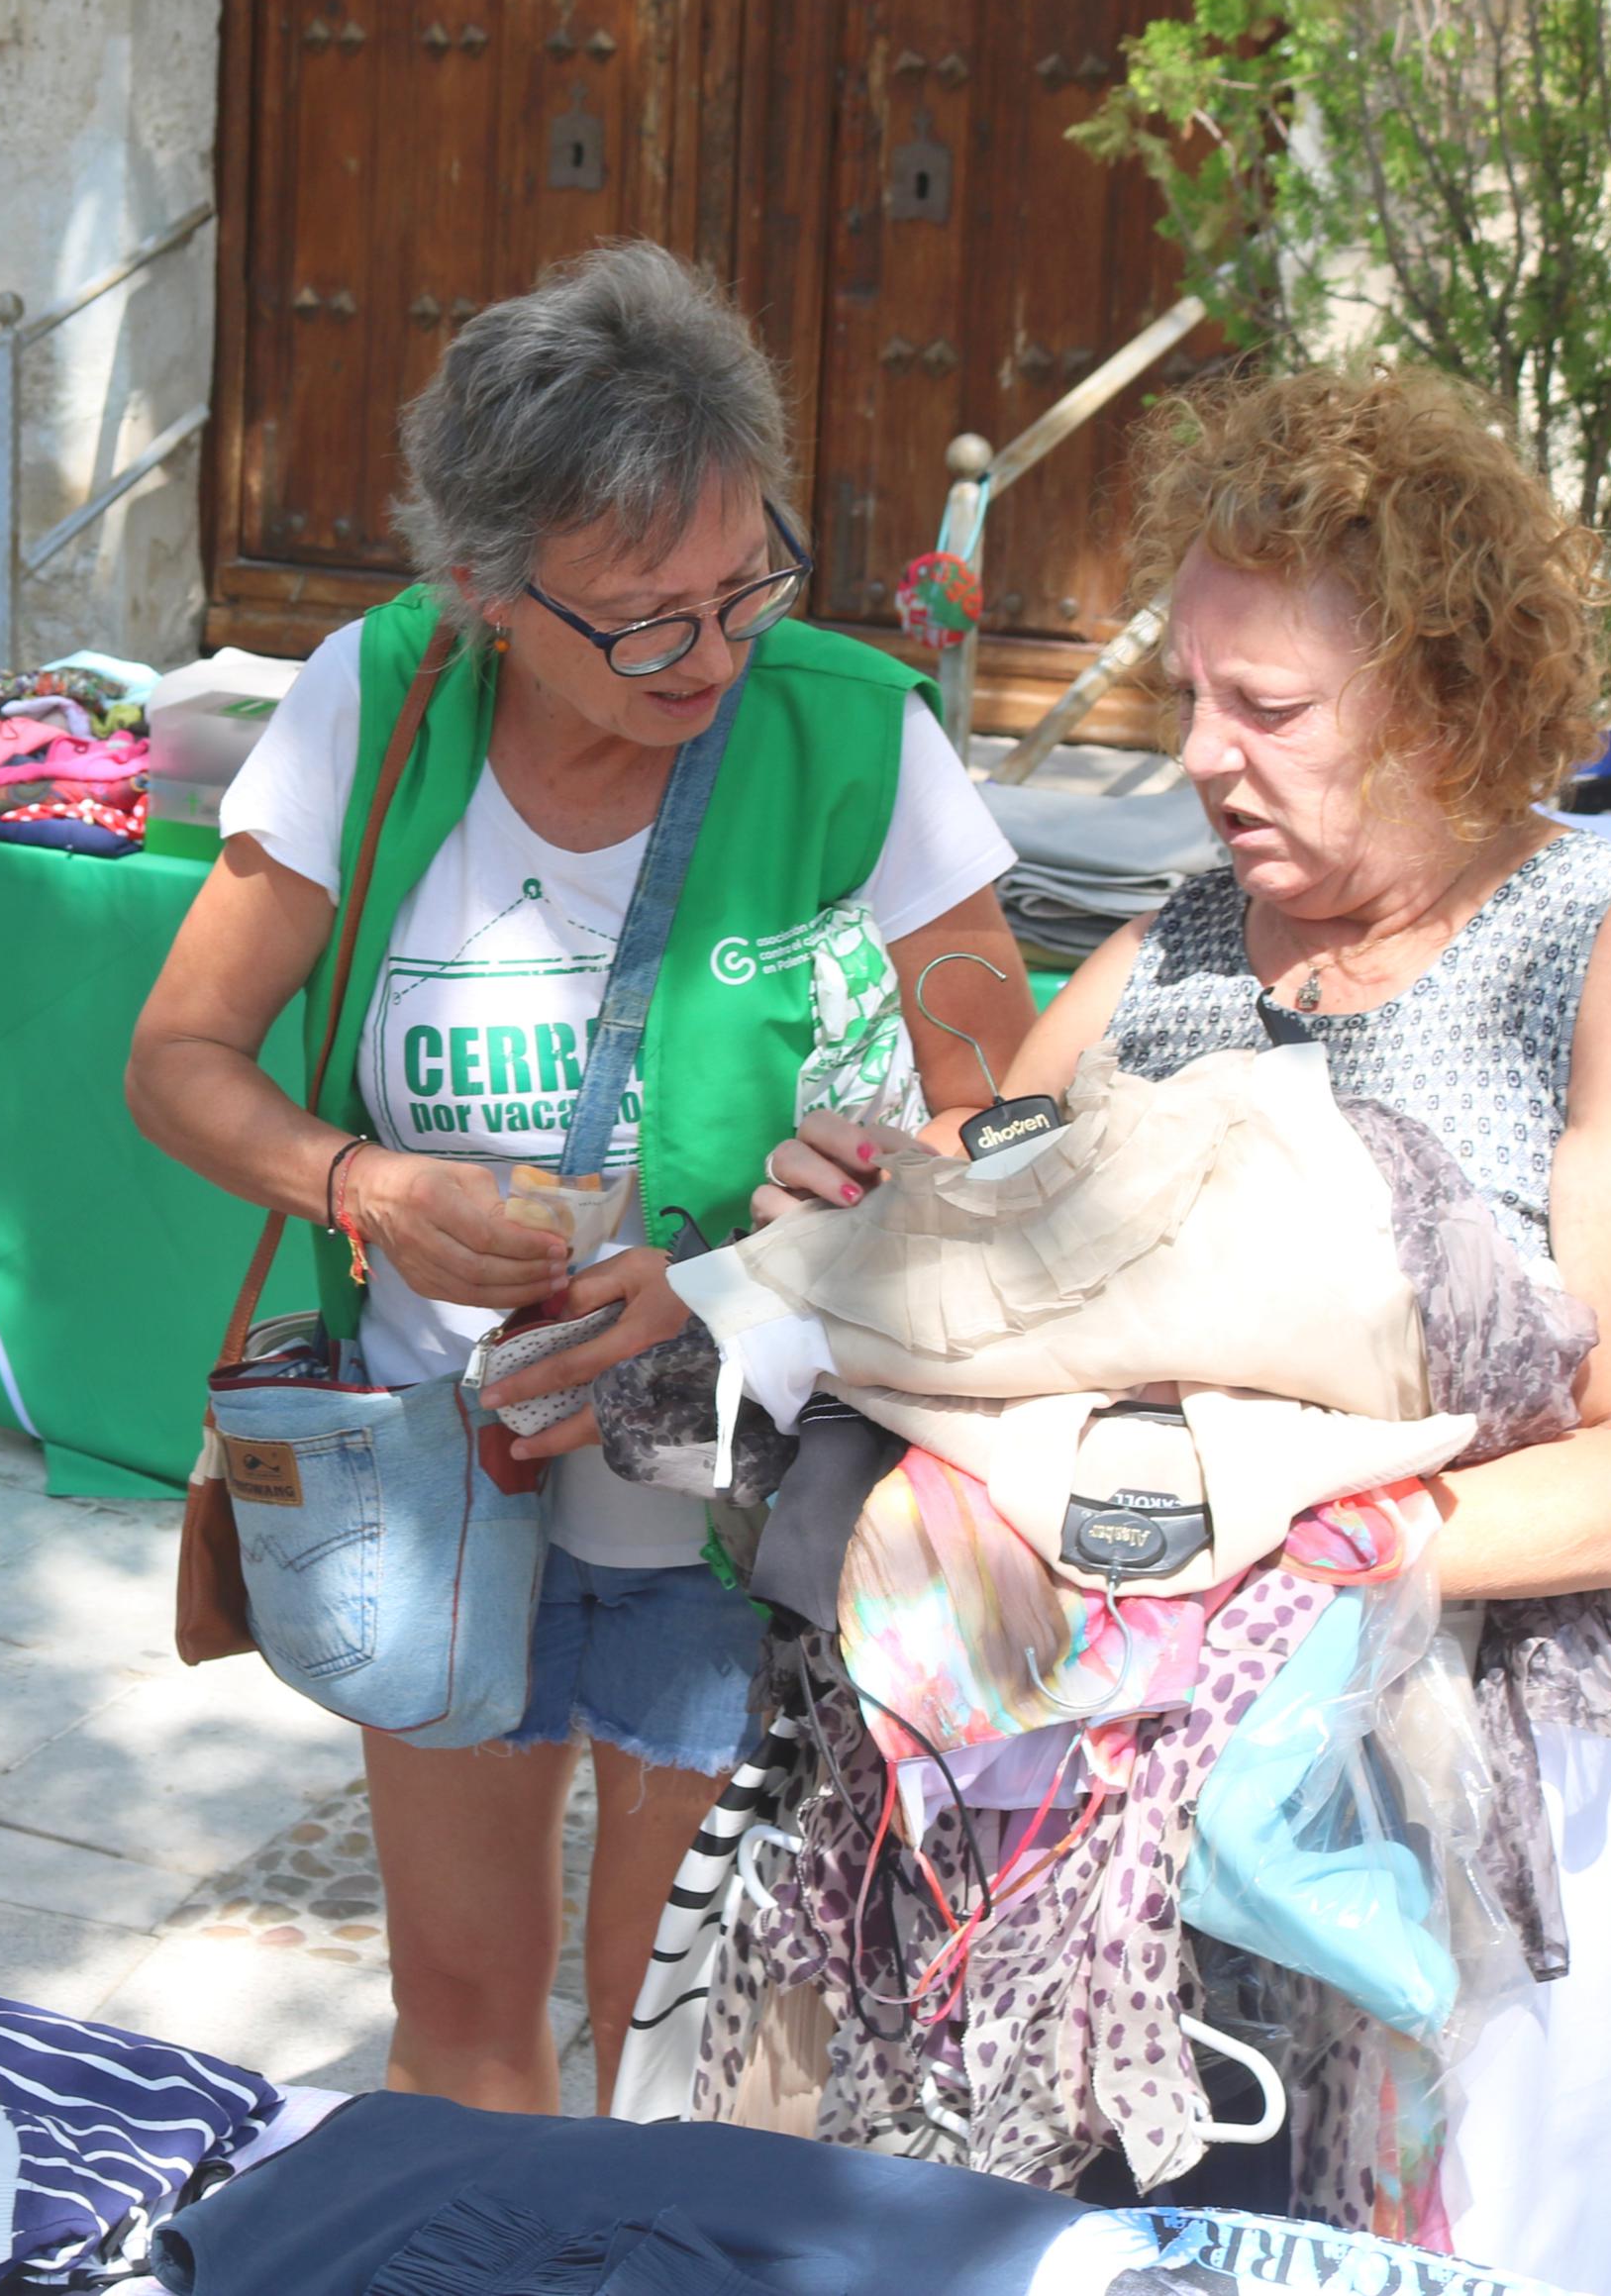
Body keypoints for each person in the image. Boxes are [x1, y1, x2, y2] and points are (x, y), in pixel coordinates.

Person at [752, 364, 1611, 2292]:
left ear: (1446, 694)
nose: (1203, 760)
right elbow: (994, 1196)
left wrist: (1276, 1556)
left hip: (1462, 1773)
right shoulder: (1179, 946)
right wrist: (871, 1192)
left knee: (1427, 2242)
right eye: (1192, 698)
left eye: (1268, 708)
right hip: (1122, 1783)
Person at [126, 243, 1030, 2115]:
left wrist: (744, 1277)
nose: (708, 658)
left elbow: (1004, 1130)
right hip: (441, 1495)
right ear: (478, 590)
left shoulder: (851, 732)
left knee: (685, 2052)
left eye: (739, 588)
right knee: (459, 2017)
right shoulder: (374, 709)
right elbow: (178, 1065)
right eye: (639, 621)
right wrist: (362, 1184)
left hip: (743, 1512)